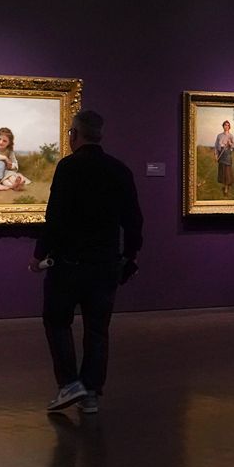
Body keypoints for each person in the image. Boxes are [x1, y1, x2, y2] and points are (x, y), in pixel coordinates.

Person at [33, 109, 143, 416]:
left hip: (69, 264)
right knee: (97, 329)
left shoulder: (68, 168)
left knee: (57, 321)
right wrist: (130, 255)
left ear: (74, 135)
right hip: (105, 264)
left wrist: (39, 254)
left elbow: (55, 217)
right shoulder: (119, 170)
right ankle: (91, 393)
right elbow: (134, 220)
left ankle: (70, 384)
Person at [215, 119, 234, 189]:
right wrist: (216, 155)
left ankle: (226, 187)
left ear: (229, 127)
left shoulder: (231, 136)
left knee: (227, 171)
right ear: (223, 126)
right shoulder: (219, 135)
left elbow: (233, 146)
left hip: (227, 155)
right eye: (225, 125)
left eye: (228, 125)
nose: (226, 126)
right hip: (221, 154)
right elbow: (216, 146)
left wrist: (230, 143)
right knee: (222, 170)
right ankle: (224, 185)